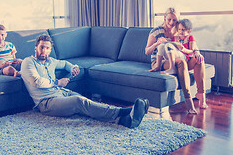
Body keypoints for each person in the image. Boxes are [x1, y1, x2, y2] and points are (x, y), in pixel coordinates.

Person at [21, 34, 149, 128]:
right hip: (46, 102)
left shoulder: (51, 61)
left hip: (61, 93)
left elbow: (65, 63)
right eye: (41, 47)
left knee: (87, 103)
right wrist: (58, 82)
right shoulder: (28, 62)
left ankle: (125, 116)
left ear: (50, 50)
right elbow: (35, 81)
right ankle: (123, 113)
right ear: (36, 48)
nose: (44, 51)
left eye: (47, 48)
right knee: (79, 101)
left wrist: (73, 67)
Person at [145, 8, 208, 114]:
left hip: (179, 57)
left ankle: (201, 94)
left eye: (174, 20)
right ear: (165, 17)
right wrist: (157, 44)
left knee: (199, 60)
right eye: (169, 19)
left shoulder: (177, 30)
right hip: (160, 61)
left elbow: (190, 40)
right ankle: (189, 102)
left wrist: (197, 52)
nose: (171, 23)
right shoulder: (156, 31)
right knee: (181, 63)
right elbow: (147, 51)